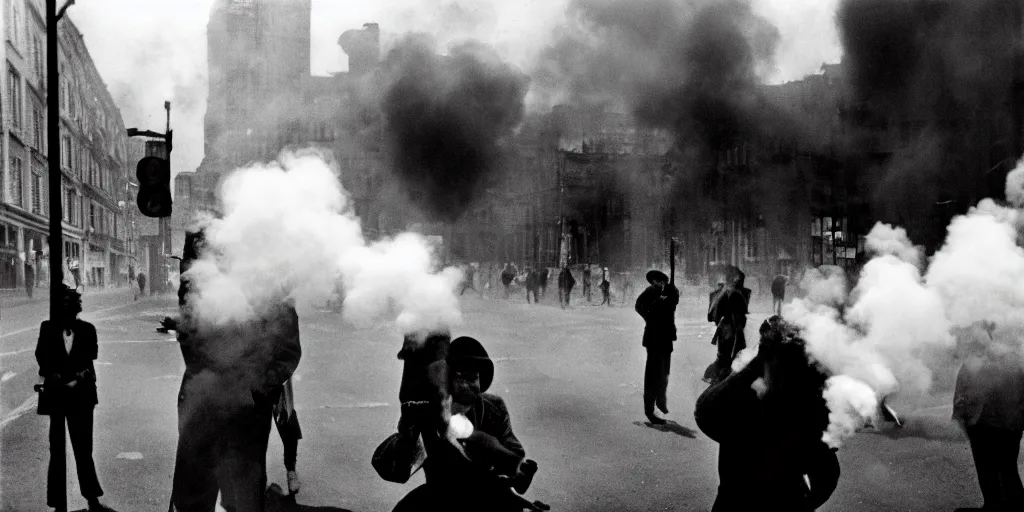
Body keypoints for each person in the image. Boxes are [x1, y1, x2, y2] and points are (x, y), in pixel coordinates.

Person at [169, 230, 302, 512]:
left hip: (246, 409)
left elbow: (287, 350)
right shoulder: (198, 285)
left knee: (242, 495)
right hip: (201, 403)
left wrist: (257, 386)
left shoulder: (269, 289)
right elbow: (191, 338)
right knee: (192, 495)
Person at [374, 336, 540, 512]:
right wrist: (408, 429)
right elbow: (395, 472)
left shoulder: (493, 409)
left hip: (487, 497)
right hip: (440, 498)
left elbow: (517, 475)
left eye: (473, 377)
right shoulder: (431, 411)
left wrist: (515, 472)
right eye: (459, 377)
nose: (466, 385)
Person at [695, 316, 840, 511]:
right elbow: (826, 473)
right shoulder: (751, 398)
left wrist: (755, 364)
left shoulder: (749, 397)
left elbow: (704, 412)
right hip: (763, 500)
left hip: (740, 500)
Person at [35, 285, 109, 512]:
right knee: (56, 451)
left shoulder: (87, 330)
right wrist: (53, 374)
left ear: (76, 309)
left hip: (80, 395)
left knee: (83, 449)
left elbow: (90, 357)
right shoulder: (47, 328)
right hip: (58, 394)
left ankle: (91, 498)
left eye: (70, 306)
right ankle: (59, 502)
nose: (67, 311)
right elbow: (41, 355)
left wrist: (75, 378)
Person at [952, 328, 1024, 512]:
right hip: (1012, 426)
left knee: (987, 469)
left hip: (982, 425)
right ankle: (1016, 504)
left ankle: (994, 505)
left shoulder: (971, 364)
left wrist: (963, 421)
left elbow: (961, 399)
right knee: (1008, 467)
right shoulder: (1015, 360)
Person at [634, 270, 679, 424]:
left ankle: (661, 399)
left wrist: (671, 293)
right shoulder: (649, 292)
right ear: (652, 281)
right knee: (653, 374)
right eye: (656, 281)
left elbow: (673, 303)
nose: (659, 283)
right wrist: (650, 316)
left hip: (666, 337)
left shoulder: (670, 292)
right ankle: (649, 410)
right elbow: (639, 306)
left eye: (661, 281)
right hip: (653, 337)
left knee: (664, 372)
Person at [703, 267, 752, 385]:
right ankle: (722, 381)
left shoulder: (724, 292)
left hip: (727, 328)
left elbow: (712, 315)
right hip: (730, 329)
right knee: (730, 356)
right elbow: (738, 315)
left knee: (726, 356)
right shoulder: (733, 293)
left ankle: (721, 379)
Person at [273, 378, 303, 495]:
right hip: (251, 375)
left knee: (288, 424)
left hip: (277, 376)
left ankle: (291, 469)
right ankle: (257, 475)